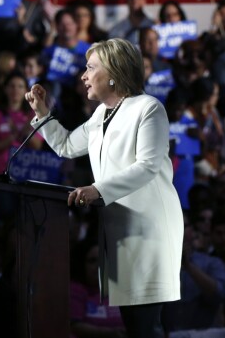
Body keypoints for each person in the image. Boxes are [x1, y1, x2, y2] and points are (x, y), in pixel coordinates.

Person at [24, 38, 183, 338]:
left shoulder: (148, 108)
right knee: (136, 328)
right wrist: (43, 113)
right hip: (119, 231)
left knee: (147, 327)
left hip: (149, 231)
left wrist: (97, 189)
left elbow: (148, 166)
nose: (83, 75)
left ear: (113, 72)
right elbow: (67, 146)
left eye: (90, 68)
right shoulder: (101, 115)